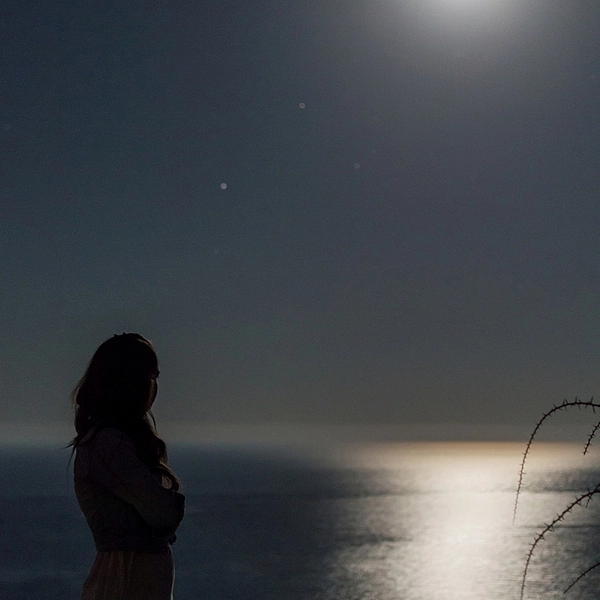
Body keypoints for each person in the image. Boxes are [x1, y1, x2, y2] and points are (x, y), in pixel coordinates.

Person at [71, 333, 185, 600]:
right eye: (151, 376)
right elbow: (163, 513)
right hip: (124, 581)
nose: (154, 386)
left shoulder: (109, 442)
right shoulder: (109, 444)